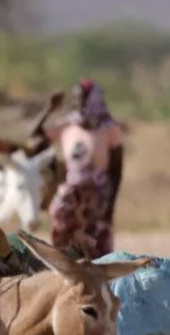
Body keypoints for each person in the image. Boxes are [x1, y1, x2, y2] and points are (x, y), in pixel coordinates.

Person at [35, 79, 124, 258]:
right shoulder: (67, 125)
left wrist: (110, 207)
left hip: (97, 195)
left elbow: (116, 170)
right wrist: (49, 109)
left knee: (97, 246)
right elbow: (36, 135)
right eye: (74, 98)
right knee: (63, 240)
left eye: (82, 98)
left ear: (94, 100)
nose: (77, 102)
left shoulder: (109, 128)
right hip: (71, 193)